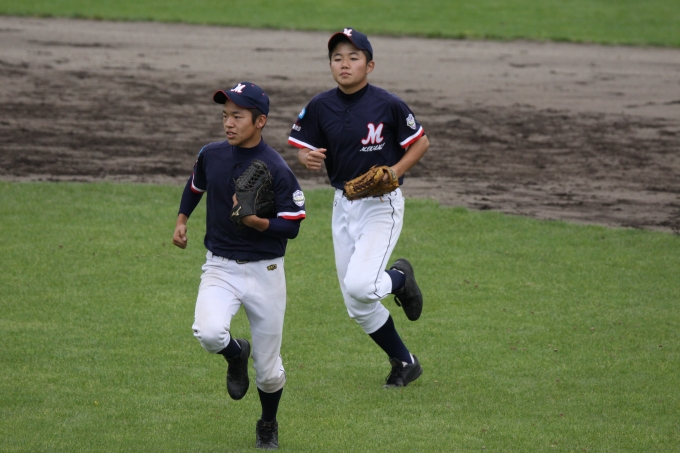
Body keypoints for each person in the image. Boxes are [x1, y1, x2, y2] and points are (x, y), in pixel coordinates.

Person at [288, 28, 429, 388]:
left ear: (370, 65)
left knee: (362, 286)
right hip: (342, 206)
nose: (345, 64)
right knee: (356, 303)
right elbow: (303, 147)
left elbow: (420, 143)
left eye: (353, 57)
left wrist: (395, 171)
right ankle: (405, 362)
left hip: (381, 207)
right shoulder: (320, 106)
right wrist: (306, 157)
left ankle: (401, 278)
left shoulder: (388, 105)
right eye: (337, 58)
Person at [173, 82, 306, 449]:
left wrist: (258, 223)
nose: (228, 123)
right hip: (220, 267)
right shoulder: (211, 155)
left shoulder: (277, 168)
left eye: (237, 116)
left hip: (267, 272)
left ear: (260, 121)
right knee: (209, 333)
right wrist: (182, 220)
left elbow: (293, 224)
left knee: (268, 372)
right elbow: (195, 186)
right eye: (225, 116)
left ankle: (268, 422)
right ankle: (236, 353)